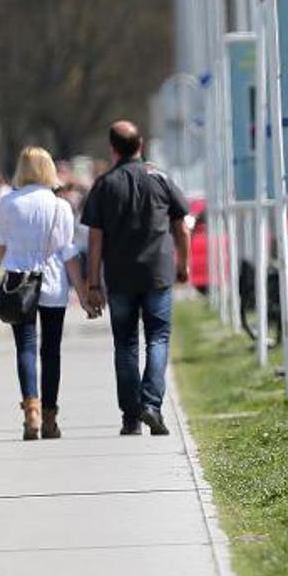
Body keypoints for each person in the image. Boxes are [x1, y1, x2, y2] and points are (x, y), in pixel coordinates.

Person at [82, 121, 190, 436]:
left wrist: (93, 283)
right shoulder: (160, 178)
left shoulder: (104, 185)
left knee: (125, 345)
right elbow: (181, 225)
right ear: (140, 143)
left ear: (112, 147)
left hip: (119, 278)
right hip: (158, 273)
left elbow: (95, 239)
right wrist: (182, 264)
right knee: (158, 338)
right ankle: (151, 405)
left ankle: (130, 418)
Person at [0, 147, 87, 441]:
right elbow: (69, 252)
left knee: (26, 347)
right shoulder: (60, 206)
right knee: (51, 351)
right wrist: (82, 291)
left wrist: (12, 263)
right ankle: (49, 417)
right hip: (54, 283)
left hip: (21, 282)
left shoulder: (9, 202)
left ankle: (30, 411)